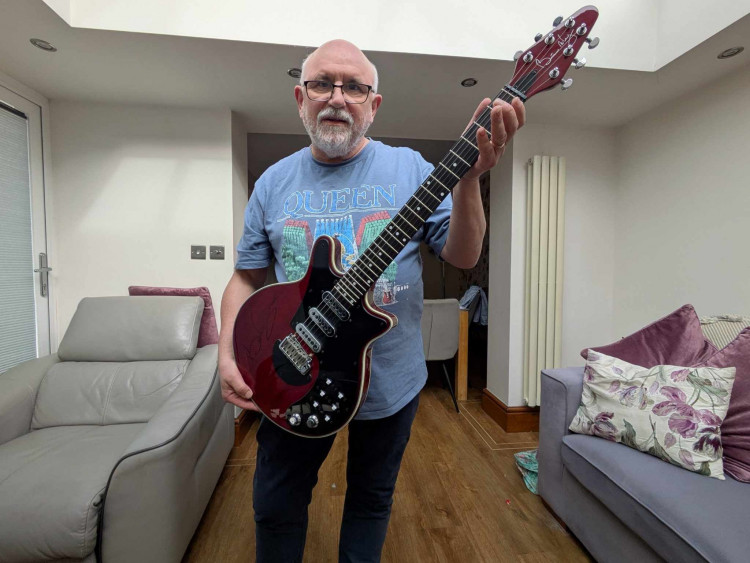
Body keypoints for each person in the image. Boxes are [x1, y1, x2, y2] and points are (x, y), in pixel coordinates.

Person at [218, 39, 525, 562]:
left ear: (373, 104)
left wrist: (470, 179)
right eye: (322, 84)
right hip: (288, 373)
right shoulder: (272, 182)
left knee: (370, 501)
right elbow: (245, 278)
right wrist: (227, 354)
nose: (337, 98)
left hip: (388, 383)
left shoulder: (412, 170)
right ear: (300, 97)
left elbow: (464, 254)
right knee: (275, 505)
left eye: (354, 87)